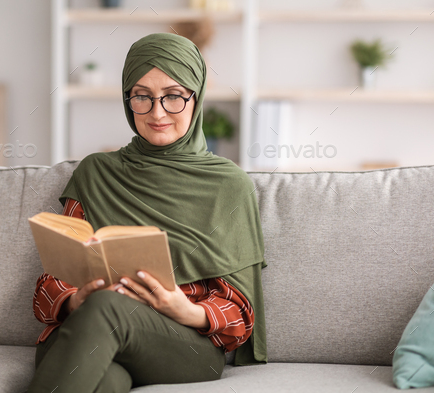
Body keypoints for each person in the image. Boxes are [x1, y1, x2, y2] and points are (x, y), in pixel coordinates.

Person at [27, 32, 267, 393]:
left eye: (173, 96)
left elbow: (240, 315)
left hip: (183, 345)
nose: (157, 113)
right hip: (85, 333)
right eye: (142, 96)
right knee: (106, 381)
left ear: (195, 97)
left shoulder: (229, 186)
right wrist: (75, 299)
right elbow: (50, 286)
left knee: (106, 308)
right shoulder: (96, 173)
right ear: (128, 99)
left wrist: (183, 309)